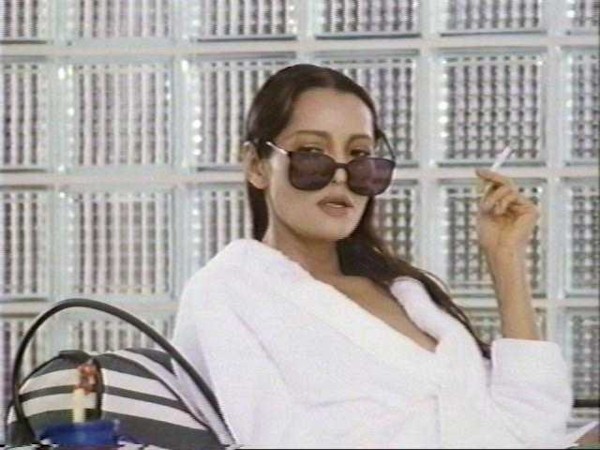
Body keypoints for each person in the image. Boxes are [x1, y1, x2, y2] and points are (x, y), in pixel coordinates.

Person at [172, 64, 598, 448]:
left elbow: (533, 428)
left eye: (359, 157)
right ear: (256, 165)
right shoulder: (227, 292)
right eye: (312, 155)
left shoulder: (403, 293)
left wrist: (505, 258)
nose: (341, 177)